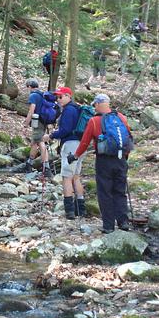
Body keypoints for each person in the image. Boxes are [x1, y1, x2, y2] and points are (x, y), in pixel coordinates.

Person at [69, 93, 132, 233]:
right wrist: (125, 156)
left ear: (97, 104)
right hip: (121, 159)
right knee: (120, 191)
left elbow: (85, 142)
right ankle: (123, 222)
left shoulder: (94, 121)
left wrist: (75, 156)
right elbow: (128, 137)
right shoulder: (121, 117)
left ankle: (108, 226)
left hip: (104, 160)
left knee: (105, 192)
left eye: (95, 105)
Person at [42, 87, 86, 220]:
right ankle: (80, 209)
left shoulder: (68, 110)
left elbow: (65, 130)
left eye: (61, 97)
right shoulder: (77, 109)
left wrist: (50, 136)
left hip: (71, 145)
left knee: (66, 177)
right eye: (57, 97)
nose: (58, 99)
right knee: (76, 176)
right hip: (80, 145)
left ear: (68, 96)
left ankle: (70, 211)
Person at [24, 78, 52, 177]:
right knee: (35, 142)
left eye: (27, 87)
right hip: (43, 122)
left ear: (29, 87)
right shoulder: (42, 94)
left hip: (37, 122)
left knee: (40, 142)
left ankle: (46, 167)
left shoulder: (33, 96)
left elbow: (31, 110)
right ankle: (29, 164)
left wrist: (26, 122)